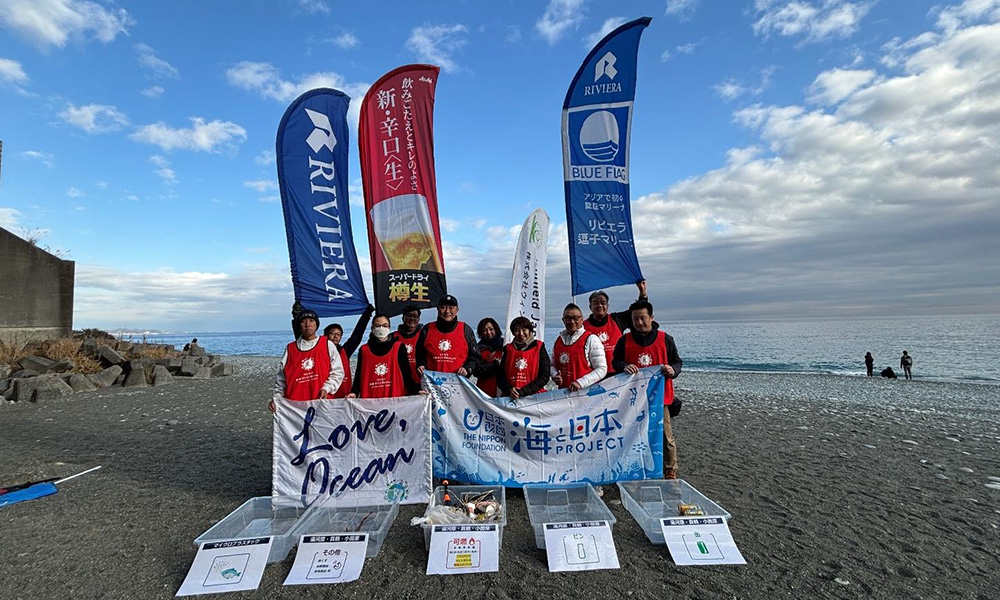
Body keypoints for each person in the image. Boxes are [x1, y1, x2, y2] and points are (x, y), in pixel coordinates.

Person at [612, 300, 683, 480]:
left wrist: (672, 370)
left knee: (665, 435)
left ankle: (670, 469)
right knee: (634, 434)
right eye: (635, 319)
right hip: (633, 400)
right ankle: (635, 467)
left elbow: (677, 361)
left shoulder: (665, 339)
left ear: (651, 317)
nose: (639, 323)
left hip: (660, 398)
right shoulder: (624, 340)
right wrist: (624, 366)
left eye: (643, 318)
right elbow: (615, 362)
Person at [272, 309, 345, 408]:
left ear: (316, 324)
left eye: (311, 320)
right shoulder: (290, 349)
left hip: (321, 402)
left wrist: (327, 388)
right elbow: (281, 379)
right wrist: (277, 398)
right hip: (295, 406)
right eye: (303, 321)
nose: (307, 324)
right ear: (298, 325)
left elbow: (338, 372)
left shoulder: (327, 344)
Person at [347, 314, 420, 399]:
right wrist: (354, 392)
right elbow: (359, 375)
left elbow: (407, 375)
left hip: (395, 398)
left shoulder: (399, 347)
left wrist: (417, 391)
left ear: (389, 328)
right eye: (377, 325)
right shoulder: (364, 350)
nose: (381, 328)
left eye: (385, 325)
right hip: (371, 399)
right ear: (372, 328)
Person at [584, 280, 649, 369]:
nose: (600, 305)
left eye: (603, 303)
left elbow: (636, 311)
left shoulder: (617, 319)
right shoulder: (583, 327)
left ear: (607, 306)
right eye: (596, 303)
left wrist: (643, 294)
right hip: (594, 375)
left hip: (618, 373)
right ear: (590, 307)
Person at [416, 295, 479, 376]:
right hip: (432, 383)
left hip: (458, 382)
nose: (447, 311)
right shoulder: (427, 329)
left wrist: (467, 368)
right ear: (438, 309)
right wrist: (421, 365)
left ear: (457, 310)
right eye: (443, 307)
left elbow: (475, 356)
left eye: (451, 308)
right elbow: (419, 354)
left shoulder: (465, 330)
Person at [322, 304, 376, 398]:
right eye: (332, 333)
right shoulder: (319, 352)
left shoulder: (345, 351)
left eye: (338, 334)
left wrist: (366, 315)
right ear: (325, 335)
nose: (335, 336)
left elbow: (357, 336)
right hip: (326, 396)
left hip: (345, 396)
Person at [551, 303, 607, 391]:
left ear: (581, 319)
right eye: (568, 318)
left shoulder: (591, 339)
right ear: (563, 320)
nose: (572, 321)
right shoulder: (558, 340)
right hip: (563, 394)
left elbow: (602, 369)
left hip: (586, 394)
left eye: (575, 318)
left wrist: (580, 383)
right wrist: (555, 375)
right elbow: (552, 365)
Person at [496, 316, 550, 401]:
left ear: (530, 330)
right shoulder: (508, 349)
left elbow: (544, 376)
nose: (521, 333)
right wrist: (509, 389)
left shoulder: (539, 347)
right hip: (510, 397)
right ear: (513, 333)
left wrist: (524, 392)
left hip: (534, 398)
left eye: (524, 329)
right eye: (517, 330)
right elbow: (500, 376)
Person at [474, 317, 504, 397]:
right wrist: (495, 364)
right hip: (485, 390)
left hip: (503, 390)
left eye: (491, 329)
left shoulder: (506, 346)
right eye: (485, 330)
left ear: (496, 329)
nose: (488, 332)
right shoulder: (478, 349)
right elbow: (477, 371)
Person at [394, 304, 422, 383]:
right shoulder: (393, 337)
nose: (411, 318)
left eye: (415, 316)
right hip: (399, 382)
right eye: (408, 315)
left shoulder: (424, 335)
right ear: (403, 318)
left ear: (418, 319)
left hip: (420, 382)